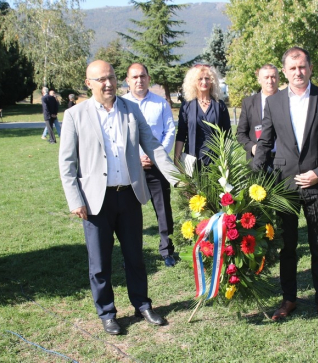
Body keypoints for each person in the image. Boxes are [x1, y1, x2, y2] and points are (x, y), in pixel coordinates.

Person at [59, 60, 178, 335]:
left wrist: (177, 179)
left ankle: (143, 304)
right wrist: (74, 199)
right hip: (95, 201)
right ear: (89, 84)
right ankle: (107, 312)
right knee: (99, 263)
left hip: (129, 196)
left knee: (135, 257)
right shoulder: (75, 115)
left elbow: (155, 148)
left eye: (111, 77)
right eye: (101, 79)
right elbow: (67, 163)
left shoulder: (131, 109)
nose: (108, 83)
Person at [252, 46, 318, 325]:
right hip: (285, 187)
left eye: (302, 67)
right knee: (288, 248)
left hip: (317, 186)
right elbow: (265, 144)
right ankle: (289, 298)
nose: (298, 72)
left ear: (310, 68)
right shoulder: (275, 102)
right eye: (292, 68)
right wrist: (253, 179)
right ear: (285, 72)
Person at [122, 63, 177, 267]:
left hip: (157, 166)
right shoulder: (121, 104)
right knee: (129, 212)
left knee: (163, 210)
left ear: (149, 78)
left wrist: (156, 156)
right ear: (127, 80)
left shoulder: (160, 103)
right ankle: (134, 252)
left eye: (142, 76)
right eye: (134, 77)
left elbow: (169, 131)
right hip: (130, 167)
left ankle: (167, 250)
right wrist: (137, 157)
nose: (139, 80)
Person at [174, 64, 231, 168]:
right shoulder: (187, 105)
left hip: (216, 160)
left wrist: (227, 162)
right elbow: (181, 134)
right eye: (200, 79)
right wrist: (177, 161)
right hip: (192, 160)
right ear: (193, 82)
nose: (204, 82)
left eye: (207, 78)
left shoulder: (220, 105)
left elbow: (228, 135)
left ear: (212, 81)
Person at [237, 64, 280, 166]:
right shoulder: (249, 103)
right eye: (266, 77)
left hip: (283, 162)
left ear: (278, 78)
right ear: (259, 80)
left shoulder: (288, 101)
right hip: (257, 161)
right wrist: (251, 147)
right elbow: (240, 134)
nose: (270, 81)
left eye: (273, 77)